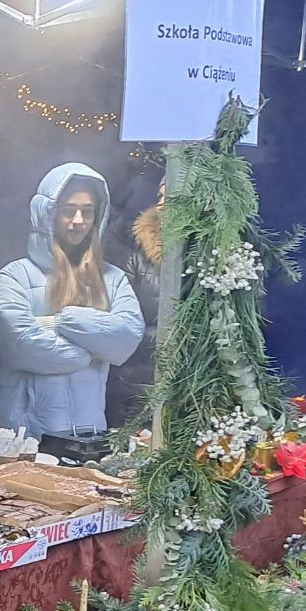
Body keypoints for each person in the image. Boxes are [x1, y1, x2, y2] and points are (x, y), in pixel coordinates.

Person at [0, 162, 144, 442]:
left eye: (87, 211)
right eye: (68, 210)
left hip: (87, 432)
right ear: (47, 214)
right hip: (25, 435)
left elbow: (127, 337)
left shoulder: (113, 278)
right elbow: (21, 344)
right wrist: (91, 350)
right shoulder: (16, 275)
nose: (78, 220)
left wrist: (60, 322)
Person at [104, 178, 164, 430]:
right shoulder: (136, 260)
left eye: (173, 197)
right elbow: (120, 328)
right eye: (160, 196)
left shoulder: (222, 264)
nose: (163, 204)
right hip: (138, 387)